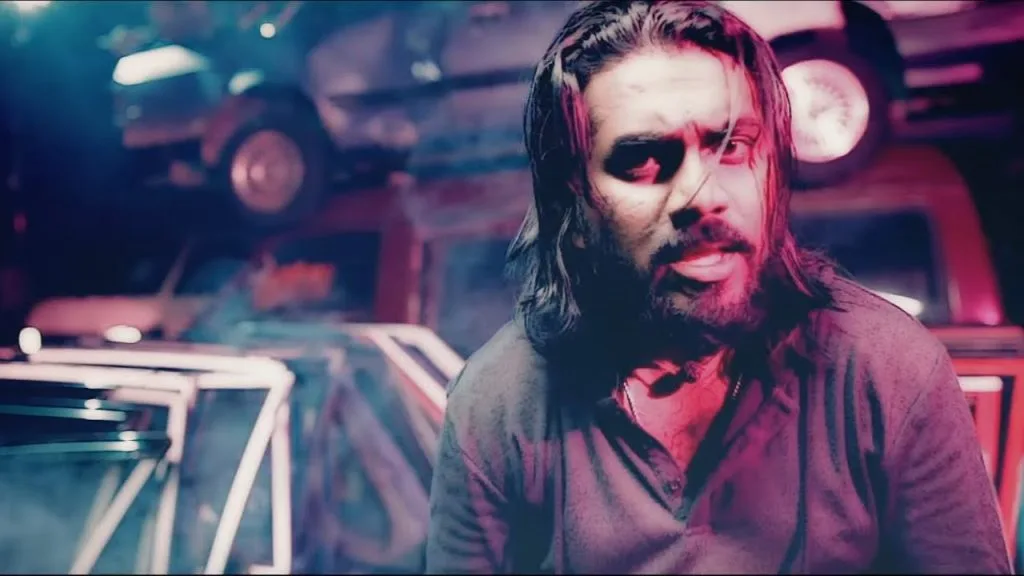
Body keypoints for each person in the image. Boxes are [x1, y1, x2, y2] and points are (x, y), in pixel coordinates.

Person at [425, 1, 1011, 573]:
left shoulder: (888, 372)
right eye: (642, 160)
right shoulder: (500, 403)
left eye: (731, 147)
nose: (702, 195)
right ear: (573, 205)